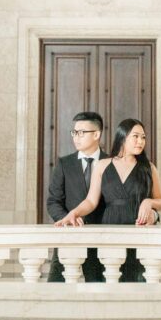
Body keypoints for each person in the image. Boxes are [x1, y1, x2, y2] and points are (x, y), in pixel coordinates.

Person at [54, 117, 161, 282]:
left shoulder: (149, 167)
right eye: (135, 136)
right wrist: (74, 213)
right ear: (122, 137)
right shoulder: (103, 165)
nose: (140, 141)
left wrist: (148, 202)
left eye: (143, 137)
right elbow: (91, 201)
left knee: (138, 282)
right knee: (108, 281)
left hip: (139, 231)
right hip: (110, 229)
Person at [46, 111, 108, 283]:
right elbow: (53, 201)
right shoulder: (64, 164)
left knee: (99, 289)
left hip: (101, 238)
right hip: (69, 235)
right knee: (55, 287)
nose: (76, 137)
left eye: (82, 132)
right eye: (74, 132)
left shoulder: (111, 162)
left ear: (96, 134)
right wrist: (67, 219)